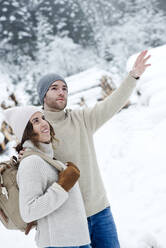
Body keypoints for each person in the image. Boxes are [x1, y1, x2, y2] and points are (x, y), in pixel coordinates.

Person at [35, 50, 151, 248]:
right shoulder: (38, 129)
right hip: (67, 219)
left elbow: (112, 104)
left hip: (100, 212)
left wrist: (133, 76)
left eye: (64, 88)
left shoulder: (81, 119)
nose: (61, 91)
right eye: (54, 88)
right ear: (43, 95)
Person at [4, 106, 91, 248]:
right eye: (36, 121)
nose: (44, 123)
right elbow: (28, 211)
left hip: (75, 241)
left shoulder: (46, 159)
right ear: (26, 131)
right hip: (59, 243)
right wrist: (62, 187)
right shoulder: (31, 162)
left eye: (43, 118)